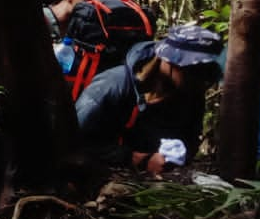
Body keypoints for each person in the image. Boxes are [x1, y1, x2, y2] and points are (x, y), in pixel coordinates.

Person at [75, 24, 223, 175]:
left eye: (206, 72)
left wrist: (175, 156)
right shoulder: (113, 85)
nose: (199, 79)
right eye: (193, 70)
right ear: (168, 61)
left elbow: (190, 137)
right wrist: (136, 159)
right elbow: (74, 138)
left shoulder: (190, 93)